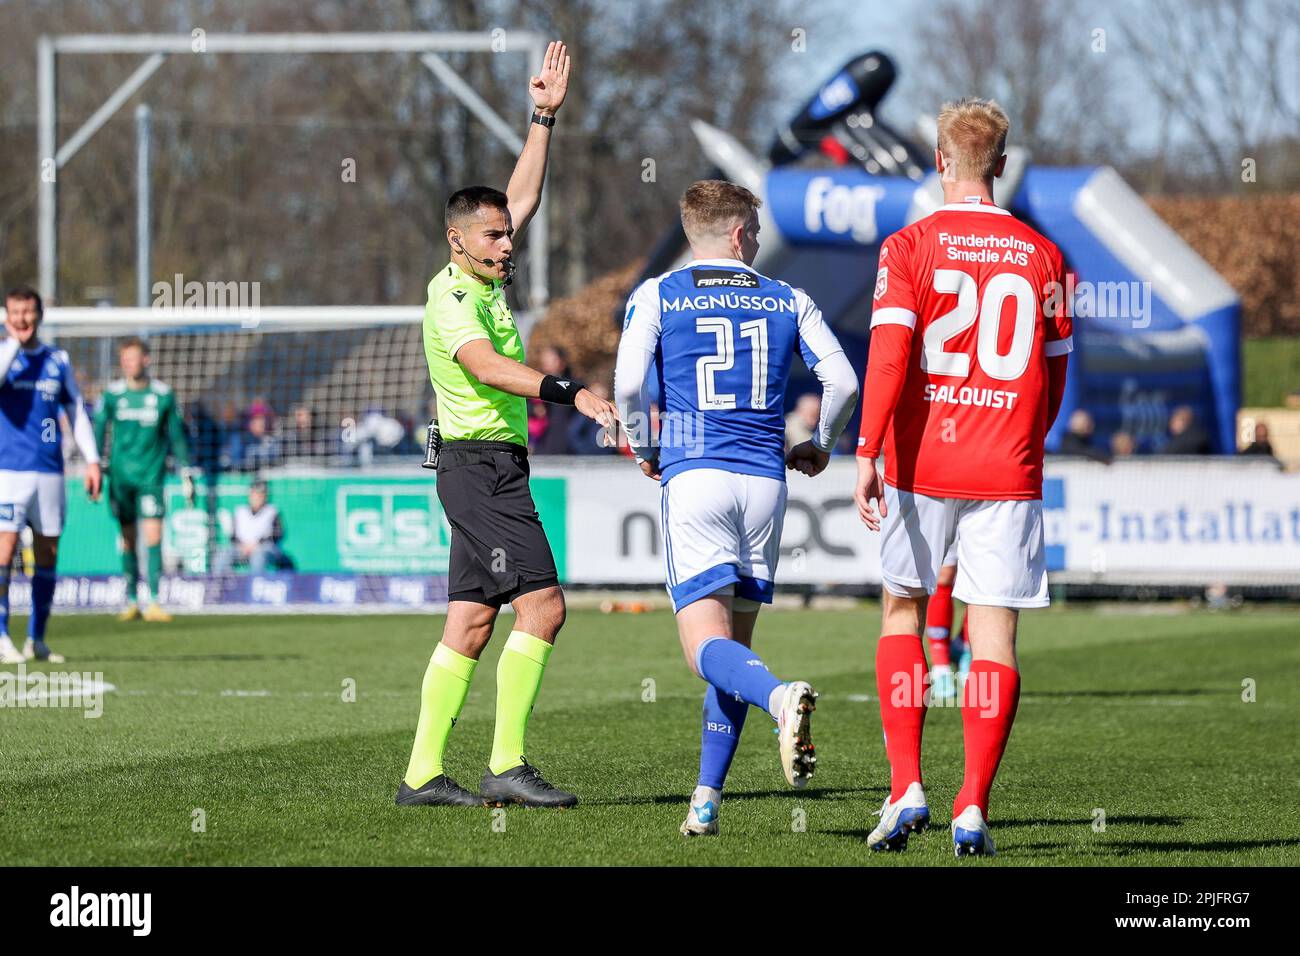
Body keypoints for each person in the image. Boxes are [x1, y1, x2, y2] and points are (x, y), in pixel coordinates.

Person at [399, 41, 618, 810]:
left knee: (469, 624)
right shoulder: (452, 299)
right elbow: (489, 369)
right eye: (493, 236)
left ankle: (422, 776)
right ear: (458, 240)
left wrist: (543, 119)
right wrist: (572, 392)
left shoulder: (482, 271)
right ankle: (506, 764)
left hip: (482, 466)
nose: (507, 242)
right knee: (546, 606)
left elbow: (520, 196)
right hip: (479, 467)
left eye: (506, 233)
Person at [854, 98, 1071, 856]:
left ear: (939, 162)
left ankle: (906, 782)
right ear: (1002, 167)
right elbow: (1055, 380)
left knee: (901, 613)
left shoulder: (909, 245)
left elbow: (888, 357)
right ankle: (972, 803)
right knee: (994, 637)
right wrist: (1022, 444)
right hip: (1008, 465)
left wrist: (865, 449)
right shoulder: (1047, 257)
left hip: (922, 463)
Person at [615, 179, 859, 837]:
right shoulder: (788, 297)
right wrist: (821, 444)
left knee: (704, 653)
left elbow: (632, 383)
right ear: (737, 233)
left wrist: (645, 447)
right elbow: (844, 380)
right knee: (733, 653)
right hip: (764, 483)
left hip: (695, 474)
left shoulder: (659, 294)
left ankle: (781, 699)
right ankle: (706, 800)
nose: (755, 237)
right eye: (751, 226)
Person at [0, 286, 103, 664]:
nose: (22, 319)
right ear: (6, 316)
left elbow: (75, 411)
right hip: (7, 471)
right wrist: (12, 344)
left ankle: (36, 639)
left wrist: (93, 460)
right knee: (4, 551)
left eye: (28, 312)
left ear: (39, 314)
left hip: (49, 471)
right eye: (15, 312)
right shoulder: (3, 354)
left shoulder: (57, 360)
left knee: (48, 554)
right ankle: (0, 638)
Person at [93, 337, 194, 623]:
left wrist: (186, 470)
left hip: (151, 476)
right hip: (121, 478)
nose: (128, 364)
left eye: (133, 358)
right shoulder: (112, 395)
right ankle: (131, 600)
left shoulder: (163, 394)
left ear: (146, 360)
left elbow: (176, 435)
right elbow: (99, 430)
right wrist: (97, 465)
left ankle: (154, 600)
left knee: (154, 537)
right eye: (124, 359)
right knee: (127, 539)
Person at [213, 481, 291, 573]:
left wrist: (258, 544)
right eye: (255, 494)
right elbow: (233, 535)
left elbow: (278, 534)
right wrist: (243, 546)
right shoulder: (240, 511)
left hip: (265, 548)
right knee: (223, 554)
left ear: (265, 496)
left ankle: (255, 584)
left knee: (259, 556)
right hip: (242, 548)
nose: (257, 497)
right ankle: (223, 585)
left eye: (261, 494)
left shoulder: (272, 511)